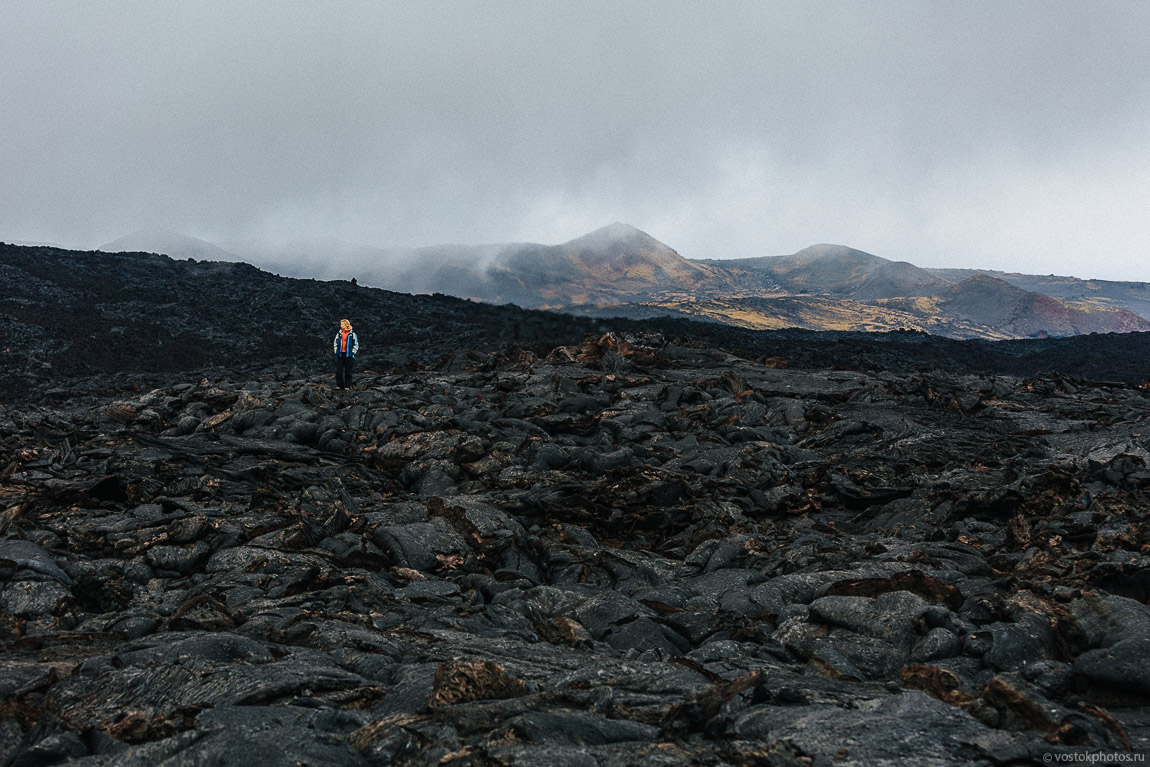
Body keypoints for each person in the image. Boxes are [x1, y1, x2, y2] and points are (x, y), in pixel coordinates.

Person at [333, 318, 359, 389]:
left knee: (348, 371)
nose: (341, 325)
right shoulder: (339, 333)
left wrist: (353, 352)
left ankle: (347, 386)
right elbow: (335, 342)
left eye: (342, 324)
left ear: (346, 325)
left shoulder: (352, 334)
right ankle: (339, 385)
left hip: (349, 355)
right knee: (339, 371)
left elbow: (356, 344)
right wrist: (336, 350)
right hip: (340, 354)